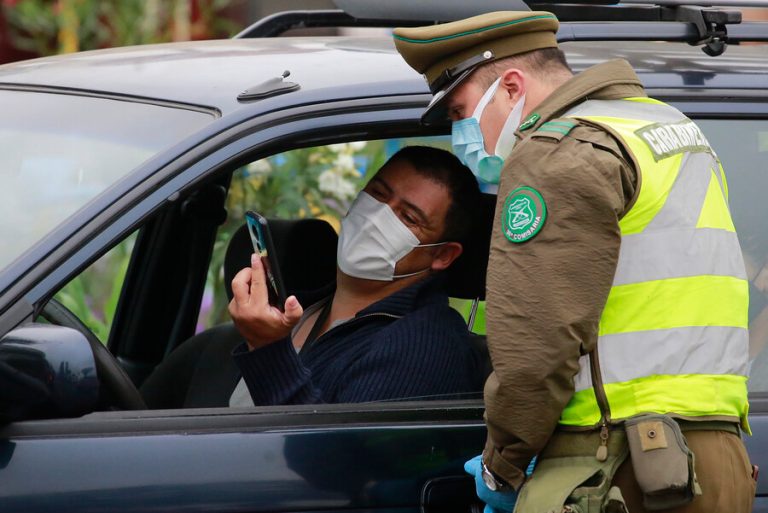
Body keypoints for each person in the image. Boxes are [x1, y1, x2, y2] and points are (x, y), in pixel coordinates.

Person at [393, 11, 755, 513]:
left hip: (618, 465)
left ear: (511, 87)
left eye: (460, 113)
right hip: (715, 459)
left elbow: (537, 339)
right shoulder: (668, 127)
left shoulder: (558, 152)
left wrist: (503, 464)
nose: (461, 134)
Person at [227, 146, 485, 406]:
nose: (377, 216)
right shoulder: (297, 310)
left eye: (408, 217)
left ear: (442, 255)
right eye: (378, 193)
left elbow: (326, 434)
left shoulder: (423, 348)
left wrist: (268, 349)